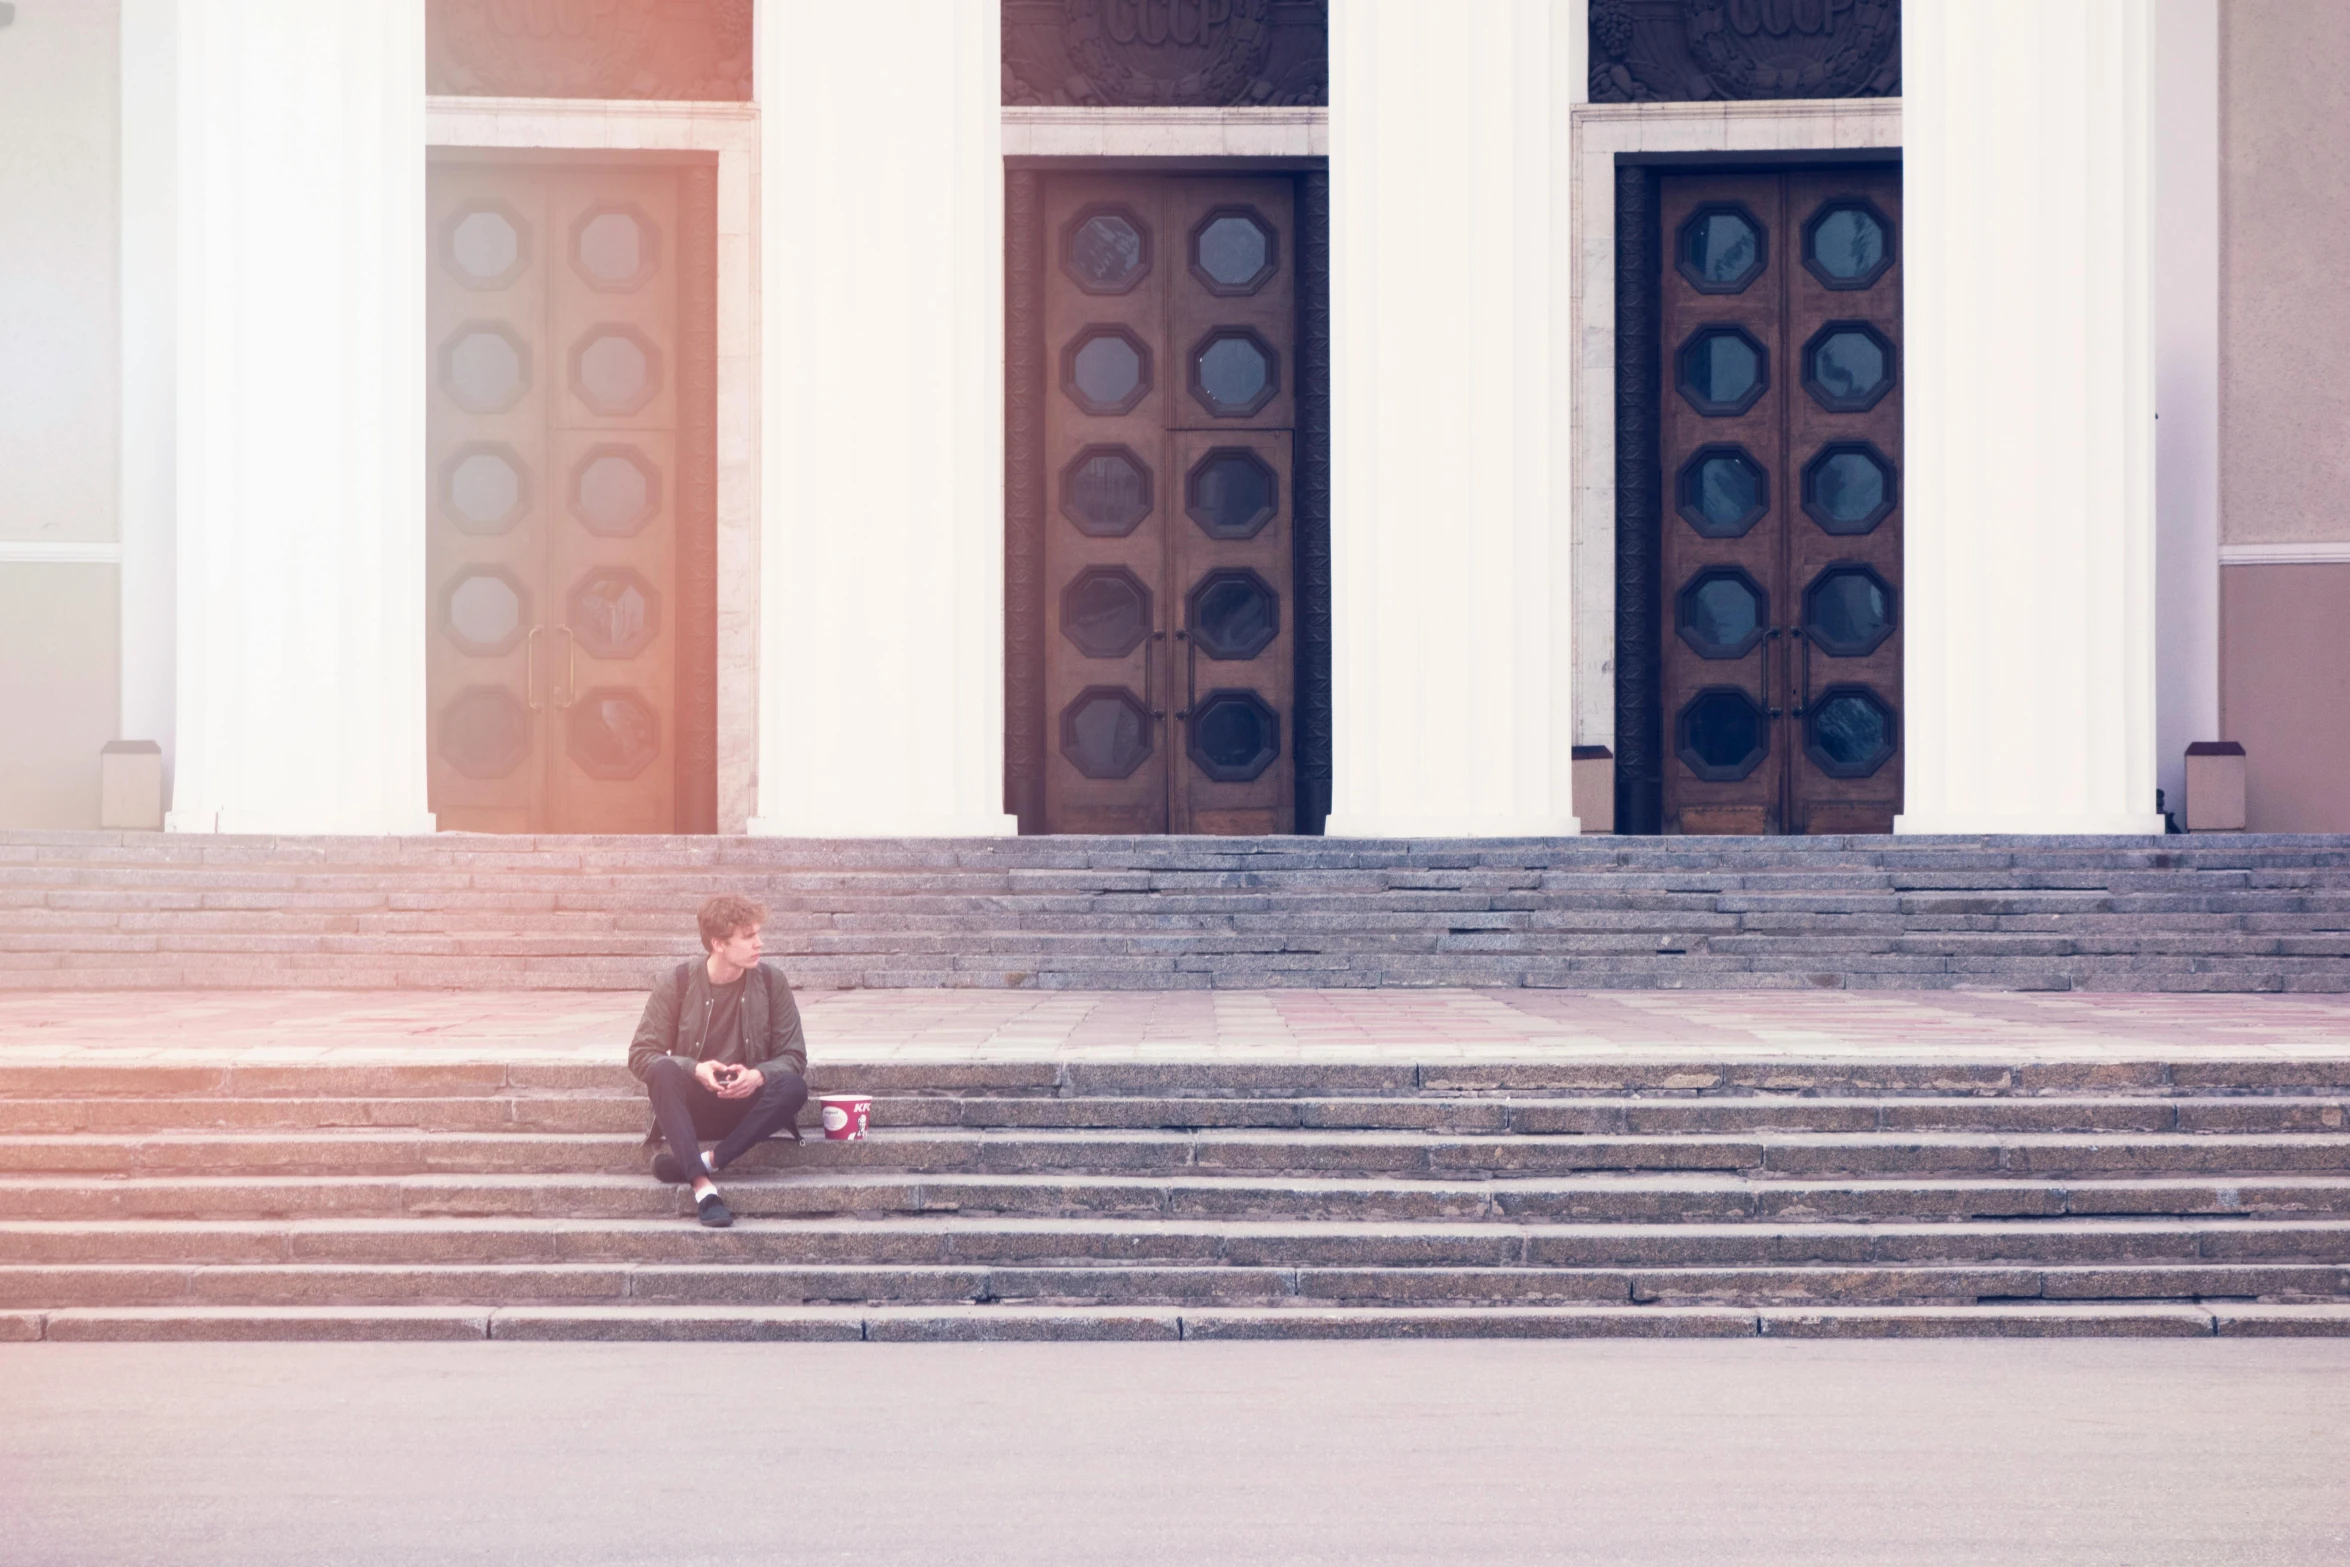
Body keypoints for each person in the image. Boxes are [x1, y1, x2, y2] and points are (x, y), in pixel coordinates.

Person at [627, 895, 809, 1228]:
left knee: (793, 1086)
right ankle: (703, 1188)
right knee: (663, 1069)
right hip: (694, 1111)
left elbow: (794, 1056)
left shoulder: (771, 981)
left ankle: (706, 1161)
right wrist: (692, 1068)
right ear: (718, 944)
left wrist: (757, 1075)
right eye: (748, 936)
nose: (759, 943)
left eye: (757, 934)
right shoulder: (678, 981)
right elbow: (641, 1054)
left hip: (748, 1110)